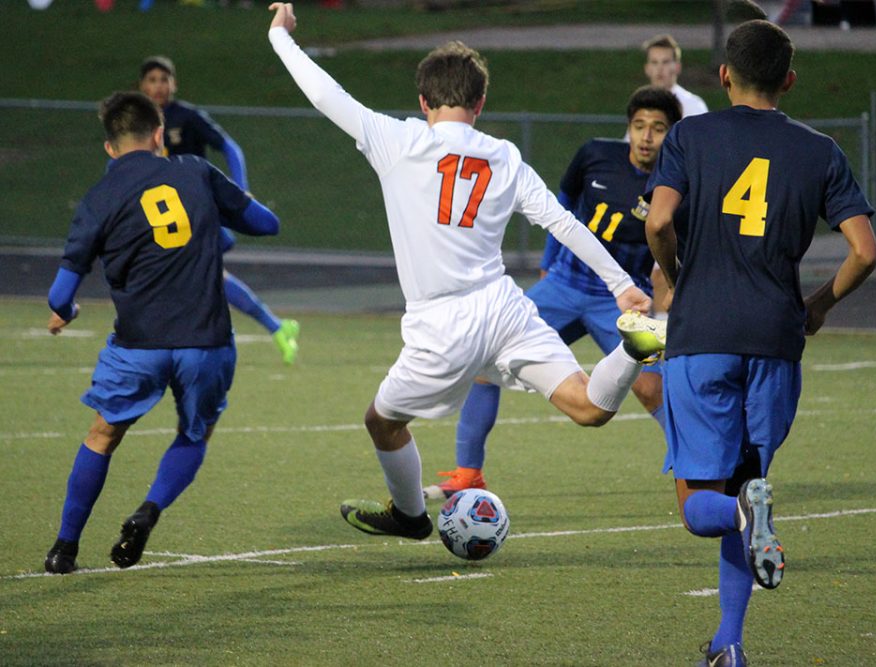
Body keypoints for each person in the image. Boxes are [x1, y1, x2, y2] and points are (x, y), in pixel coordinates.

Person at [267, 2, 666, 540]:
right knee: (588, 406)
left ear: (423, 101)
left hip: (441, 323)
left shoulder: (398, 140)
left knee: (381, 421)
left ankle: (410, 515)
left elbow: (324, 94)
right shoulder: (503, 154)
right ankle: (631, 348)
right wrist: (622, 286)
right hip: (503, 308)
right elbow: (562, 222)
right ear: (480, 103)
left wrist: (280, 37)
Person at [644, 20, 876, 666]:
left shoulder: (690, 135)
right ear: (790, 80)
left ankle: (746, 525)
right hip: (777, 336)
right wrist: (820, 304)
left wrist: (674, 273)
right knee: (750, 485)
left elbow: (660, 219)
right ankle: (729, 643)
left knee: (701, 506)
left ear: (723, 75)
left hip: (704, 333)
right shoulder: (821, 150)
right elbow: (865, 250)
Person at [43, 91, 281, 574]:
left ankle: (64, 549)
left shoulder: (97, 199)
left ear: (109, 148)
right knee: (194, 433)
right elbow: (266, 224)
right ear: (158, 135)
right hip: (206, 341)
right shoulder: (194, 169)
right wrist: (231, 201)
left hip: (138, 344)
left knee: (103, 435)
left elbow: (59, 292)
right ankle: (148, 510)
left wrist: (65, 310)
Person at [423, 86, 683, 500]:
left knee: (650, 386)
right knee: (484, 363)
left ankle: (697, 467)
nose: (646, 136)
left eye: (657, 128)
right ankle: (468, 474)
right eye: (639, 126)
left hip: (614, 302)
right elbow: (560, 208)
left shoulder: (673, 184)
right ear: (628, 129)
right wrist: (548, 262)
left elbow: (673, 240)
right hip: (563, 284)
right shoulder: (595, 154)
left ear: (671, 134)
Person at [139, 55, 300, 366]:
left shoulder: (187, 117)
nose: (158, 86)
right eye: (152, 80)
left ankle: (262, 330)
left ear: (174, 84)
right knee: (204, 278)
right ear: (142, 85)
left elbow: (230, 147)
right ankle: (276, 327)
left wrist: (240, 188)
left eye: (164, 79)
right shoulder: (138, 122)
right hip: (162, 217)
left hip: (194, 214)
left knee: (194, 277)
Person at [639, 33, 708, 319]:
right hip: (646, 202)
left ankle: (666, 342)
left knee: (664, 274)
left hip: (679, 204)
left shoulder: (693, 107)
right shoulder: (643, 105)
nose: (660, 69)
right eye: (654, 62)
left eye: (666, 62)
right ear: (647, 68)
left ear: (677, 67)